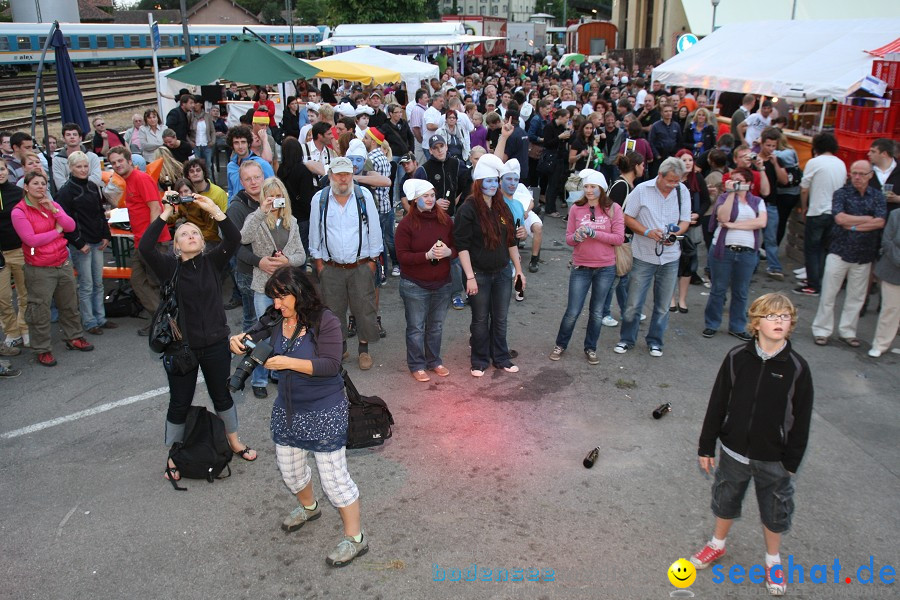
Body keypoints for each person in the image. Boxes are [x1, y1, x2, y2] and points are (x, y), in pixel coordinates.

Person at [228, 266, 368, 567]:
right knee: (290, 471)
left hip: (324, 408)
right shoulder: (276, 317)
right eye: (273, 299)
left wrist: (288, 363)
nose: (276, 305)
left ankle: (355, 538)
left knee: (334, 481)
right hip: (288, 408)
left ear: (299, 292)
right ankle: (308, 507)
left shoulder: (324, 321)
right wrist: (238, 340)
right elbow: (254, 335)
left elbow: (330, 365)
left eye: (282, 298)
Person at [691, 293, 813, 597]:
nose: (779, 322)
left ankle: (773, 561)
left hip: (775, 458)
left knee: (775, 510)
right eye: (772, 316)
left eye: (785, 316)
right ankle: (717, 545)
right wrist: (707, 445)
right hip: (733, 450)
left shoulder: (797, 367)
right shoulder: (736, 357)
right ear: (756, 322)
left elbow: (801, 419)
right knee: (726, 498)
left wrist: (791, 463)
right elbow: (718, 402)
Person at [141, 189, 257, 484]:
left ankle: (233, 441)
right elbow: (145, 247)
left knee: (223, 395)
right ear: (176, 246)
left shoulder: (212, 262)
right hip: (182, 349)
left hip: (216, 344)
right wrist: (167, 213)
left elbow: (233, 239)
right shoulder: (169, 268)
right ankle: (173, 453)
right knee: (179, 402)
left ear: (202, 241)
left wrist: (214, 211)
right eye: (184, 234)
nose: (191, 235)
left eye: (195, 232)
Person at [11, 171, 94, 366]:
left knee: (69, 305)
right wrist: (56, 231)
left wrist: (55, 211)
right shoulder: (19, 211)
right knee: (39, 310)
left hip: (62, 262)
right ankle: (42, 349)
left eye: (43, 183)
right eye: (36, 184)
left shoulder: (51, 205)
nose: (40, 187)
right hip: (39, 268)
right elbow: (31, 240)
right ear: (26, 187)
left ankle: (74, 337)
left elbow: (71, 225)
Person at [308, 157, 383, 371]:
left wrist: (372, 261)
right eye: (339, 174)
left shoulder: (363, 196)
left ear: (352, 175)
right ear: (330, 175)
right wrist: (319, 263)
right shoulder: (320, 199)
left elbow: (374, 230)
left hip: (360, 265)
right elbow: (315, 232)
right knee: (333, 311)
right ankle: (340, 348)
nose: (343, 178)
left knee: (364, 308)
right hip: (331, 267)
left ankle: (363, 349)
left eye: (347, 174)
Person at [454, 153, 525, 376]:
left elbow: (511, 241)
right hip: (478, 274)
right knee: (480, 319)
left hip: (503, 272)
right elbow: (461, 246)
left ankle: (501, 357)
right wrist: (470, 277)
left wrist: (519, 271)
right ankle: (479, 359)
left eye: (496, 180)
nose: (494, 185)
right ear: (479, 182)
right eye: (489, 181)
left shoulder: (501, 205)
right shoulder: (468, 208)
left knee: (501, 317)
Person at [614, 157, 691, 357]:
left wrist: (673, 236)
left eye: (678, 181)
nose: (674, 185)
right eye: (671, 181)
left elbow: (685, 220)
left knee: (663, 305)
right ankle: (626, 339)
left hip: (671, 257)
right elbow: (627, 217)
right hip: (643, 255)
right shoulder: (642, 190)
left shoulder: (683, 191)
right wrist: (648, 232)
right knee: (633, 303)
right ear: (660, 175)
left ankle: (655, 341)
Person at [549, 169, 624, 365]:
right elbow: (568, 239)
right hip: (581, 266)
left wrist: (593, 233)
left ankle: (591, 348)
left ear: (602, 188)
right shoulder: (576, 208)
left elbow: (618, 238)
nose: (589, 191)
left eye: (593, 187)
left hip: (605, 267)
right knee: (573, 311)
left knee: (597, 312)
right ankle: (560, 344)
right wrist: (577, 237)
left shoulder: (613, 208)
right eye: (586, 187)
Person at [240, 176, 307, 393]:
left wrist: (287, 260)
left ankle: (277, 371)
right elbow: (243, 238)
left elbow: (301, 255)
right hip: (263, 286)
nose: (276, 200)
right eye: (271, 197)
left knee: (285, 331)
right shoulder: (255, 218)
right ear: (263, 198)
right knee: (263, 332)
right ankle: (258, 379)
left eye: (279, 196)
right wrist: (262, 211)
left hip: (286, 288)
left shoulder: (292, 222)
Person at [810, 161, 886, 347]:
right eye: (854, 173)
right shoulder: (841, 193)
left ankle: (848, 331)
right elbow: (839, 218)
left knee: (857, 296)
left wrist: (852, 225)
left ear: (870, 175)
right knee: (828, 293)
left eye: (861, 173)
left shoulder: (877, 196)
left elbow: (880, 222)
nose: (857, 177)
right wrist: (867, 219)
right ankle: (822, 330)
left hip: (864, 254)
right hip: (839, 251)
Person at [394, 179, 457, 381]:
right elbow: (402, 256)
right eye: (425, 196)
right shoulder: (406, 224)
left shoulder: (446, 220)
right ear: (415, 200)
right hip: (414, 285)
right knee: (416, 327)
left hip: (442, 283)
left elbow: (458, 248)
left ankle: (434, 361)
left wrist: (449, 252)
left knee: (436, 326)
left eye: (432, 195)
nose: (430, 199)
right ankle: (416, 364)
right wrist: (426, 256)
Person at [108, 147, 172, 335]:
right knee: (138, 281)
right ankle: (160, 319)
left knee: (155, 283)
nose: (117, 165)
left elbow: (155, 208)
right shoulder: (128, 181)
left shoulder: (141, 179)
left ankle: (166, 323)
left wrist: (150, 240)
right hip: (140, 241)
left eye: (120, 160)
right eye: (113, 163)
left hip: (152, 242)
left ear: (129, 161)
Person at [702, 168, 767, 341]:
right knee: (718, 289)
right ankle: (712, 324)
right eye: (733, 180)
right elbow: (722, 217)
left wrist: (734, 225)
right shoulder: (724, 198)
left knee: (741, 291)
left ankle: (737, 326)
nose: (736, 183)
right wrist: (731, 194)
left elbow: (761, 222)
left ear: (749, 184)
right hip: (724, 249)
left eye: (740, 180)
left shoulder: (757, 201)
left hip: (746, 252)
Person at [55, 152, 115, 335]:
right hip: (82, 244)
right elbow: (64, 222)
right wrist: (79, 242)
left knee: (98, 282)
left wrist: (106, 235)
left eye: (85, 166)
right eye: (78, 166)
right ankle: (89, 321)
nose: (82, 170)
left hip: (97, 240)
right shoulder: (66, 191)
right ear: (71, 168)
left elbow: (100, 212)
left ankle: (100, 317)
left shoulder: (91, 186)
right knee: (86, 284)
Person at [795, 133, 847, 296]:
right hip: (835, 212)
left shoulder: (814, 162)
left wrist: (804, 208)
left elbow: (804, 188)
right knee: (825, 249)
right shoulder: (841, 164)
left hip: (817, 210)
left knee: (811, 249)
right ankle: (820, 280)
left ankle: (812, 284)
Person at [671, 149, 710, 313]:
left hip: (692, 226)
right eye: (684, 160)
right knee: (672, 263)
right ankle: (671, 298)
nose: (688, 163)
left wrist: (698, 214)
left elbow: (707, 200)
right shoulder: (673, 179)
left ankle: (682, 299)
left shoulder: (698, 178)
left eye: (690, 160)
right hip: (675, 226)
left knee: (689, 263)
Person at [0, 159, 29, 354]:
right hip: (0, 256)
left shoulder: (18, 193)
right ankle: (11, 332)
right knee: (2, 297)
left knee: (25, 293)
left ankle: (25, 328)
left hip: (19, 250)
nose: (0, 173)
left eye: (1, 169)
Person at [869, 209, 900, 357]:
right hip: (893, 270)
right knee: (890, 310)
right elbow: (887, 242)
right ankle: (880, 344)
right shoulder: (896, 214)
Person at [227, 126, 275, 198]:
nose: (240, 146)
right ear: (232, 145)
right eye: (236, 143)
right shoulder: (231, 166)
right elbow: (231, 191)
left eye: (243, 142)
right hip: (236, 207)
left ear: (249, 143)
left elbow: (273, 189)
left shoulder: (262, 164)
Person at [53, 123, 103, 191]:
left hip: (92, 195)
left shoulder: (92, 157)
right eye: (68, 135)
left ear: (80, 138)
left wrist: (73, 182)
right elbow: (60, 185)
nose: (72, 137)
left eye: (75, 134)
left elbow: (96, 180)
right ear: (63, 139)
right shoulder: (57, 160)